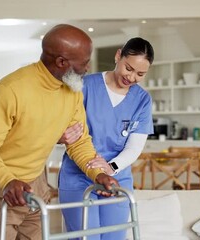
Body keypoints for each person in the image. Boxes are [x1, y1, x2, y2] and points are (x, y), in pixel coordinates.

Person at [0, 24, 120, 240]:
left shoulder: (71, 90)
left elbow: (79, 141)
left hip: (35, 180)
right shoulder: (11, 89)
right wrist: (7, 180)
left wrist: (98, 173)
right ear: (62, 62)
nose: (88, 67)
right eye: (83, 62)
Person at [58, 37, 155, 240]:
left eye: (140, 74)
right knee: (86, 237)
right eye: (129, 68)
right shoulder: (84, 87)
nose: (132, 77)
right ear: (118, 55)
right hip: (78, 177)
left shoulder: (142, 100)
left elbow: (135, 147)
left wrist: (110, 168)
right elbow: (61, 130)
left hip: (116, 177)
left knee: (114, 237)